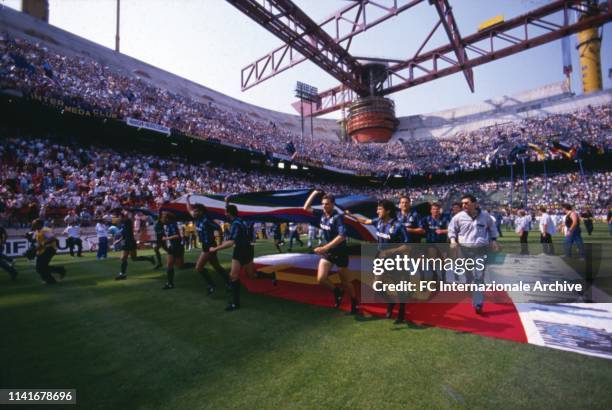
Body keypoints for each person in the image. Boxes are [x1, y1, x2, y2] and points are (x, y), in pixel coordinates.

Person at [346, 199, 407, 322]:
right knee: (377, 285)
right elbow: (366, 221)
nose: (377, 211)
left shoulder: (398, 225)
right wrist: (351, 215)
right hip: (380, 258)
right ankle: (390, 302)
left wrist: (390, 252)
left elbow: (407, 245)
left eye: (380, 209)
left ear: (388, 211)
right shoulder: (377, 221)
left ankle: (401, 311)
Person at [304, 190, 358, 314]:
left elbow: (342, 236)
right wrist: (314, 193)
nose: (324, 206)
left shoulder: (338, 217)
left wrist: (324, 248)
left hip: (340, 252)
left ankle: (354, 301)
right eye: (323, 204)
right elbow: (306, 208)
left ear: (333, 204)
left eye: (327, 204)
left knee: (345, 281)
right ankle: (337, 292)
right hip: (328, 252)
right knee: (321, 279)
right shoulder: (321, 214)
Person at [448, 194, 499, 315]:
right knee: (468, 275)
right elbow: (452, 230)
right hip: (464, 250)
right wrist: (452, 241)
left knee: (479, 276)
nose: (464, 205)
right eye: (463, 203)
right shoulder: (458, 217)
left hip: (480, 250)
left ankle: (478, 303)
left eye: (467, 203)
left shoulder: (486, 216)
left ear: (475, 204)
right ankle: (469, 285)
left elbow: (492, 229)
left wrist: (494, 240)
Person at [209, 205, 256, 311]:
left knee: (234, 276)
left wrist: (215, 249)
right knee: (251, 275)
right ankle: (271, 276)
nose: (224, 214)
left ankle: (235, 303)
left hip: (240, 250)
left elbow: (231, 242)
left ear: (229, 213)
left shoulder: (235, 224)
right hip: (247, 249)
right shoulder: (239, 221)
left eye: (226, 212)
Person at [186, 194, 229, 294]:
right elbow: (189, 209)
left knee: (199, 267)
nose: (194, 213)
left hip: (209, 246)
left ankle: (211, 285)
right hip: (206, 245)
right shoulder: (197, 217)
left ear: (201, 212)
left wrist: (220, 242)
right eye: (194, 211)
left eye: (196, 211)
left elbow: (218, 228)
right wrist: (187, 199)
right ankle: (229, 282)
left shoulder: (206, 220)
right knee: (216, 266)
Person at [114, 210, 156, 281]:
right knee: (133, 258)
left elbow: (129, 219)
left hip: (130, 242)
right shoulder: (123, 224)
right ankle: (149, 259)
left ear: (123, 217)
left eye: (119, 217)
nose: (118, 218)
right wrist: (119, 240)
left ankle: (122, 274)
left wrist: (128, 213)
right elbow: (124, 234)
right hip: (127, 242)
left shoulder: (128, 222)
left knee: (124, 258)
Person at [31, 219, 66, 284]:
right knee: (40, 267)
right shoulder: (37, 231)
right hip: (42, 250)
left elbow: (53, 238)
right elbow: (37, 241)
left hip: (49, 249)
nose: (33, 225)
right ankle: (58, 271)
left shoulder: (45, 230)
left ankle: (50, 279)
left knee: (40, 266)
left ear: (39, 224)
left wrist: (43, 244)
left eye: (34, 223)